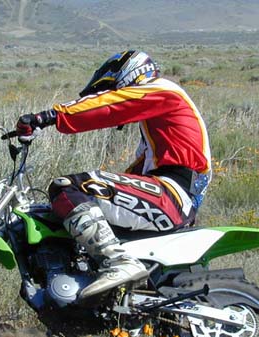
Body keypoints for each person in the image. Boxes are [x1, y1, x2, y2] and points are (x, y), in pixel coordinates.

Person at [15, 50, 212, 299]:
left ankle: (118, 262)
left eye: (112, 86)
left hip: (172, 194)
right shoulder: (157, 127)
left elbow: (111, 105)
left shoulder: (163, 90)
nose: (112, 91)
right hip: (168, 193)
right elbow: (135, 176)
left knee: (68, 187)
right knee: (73, 207)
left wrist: (49, 116)